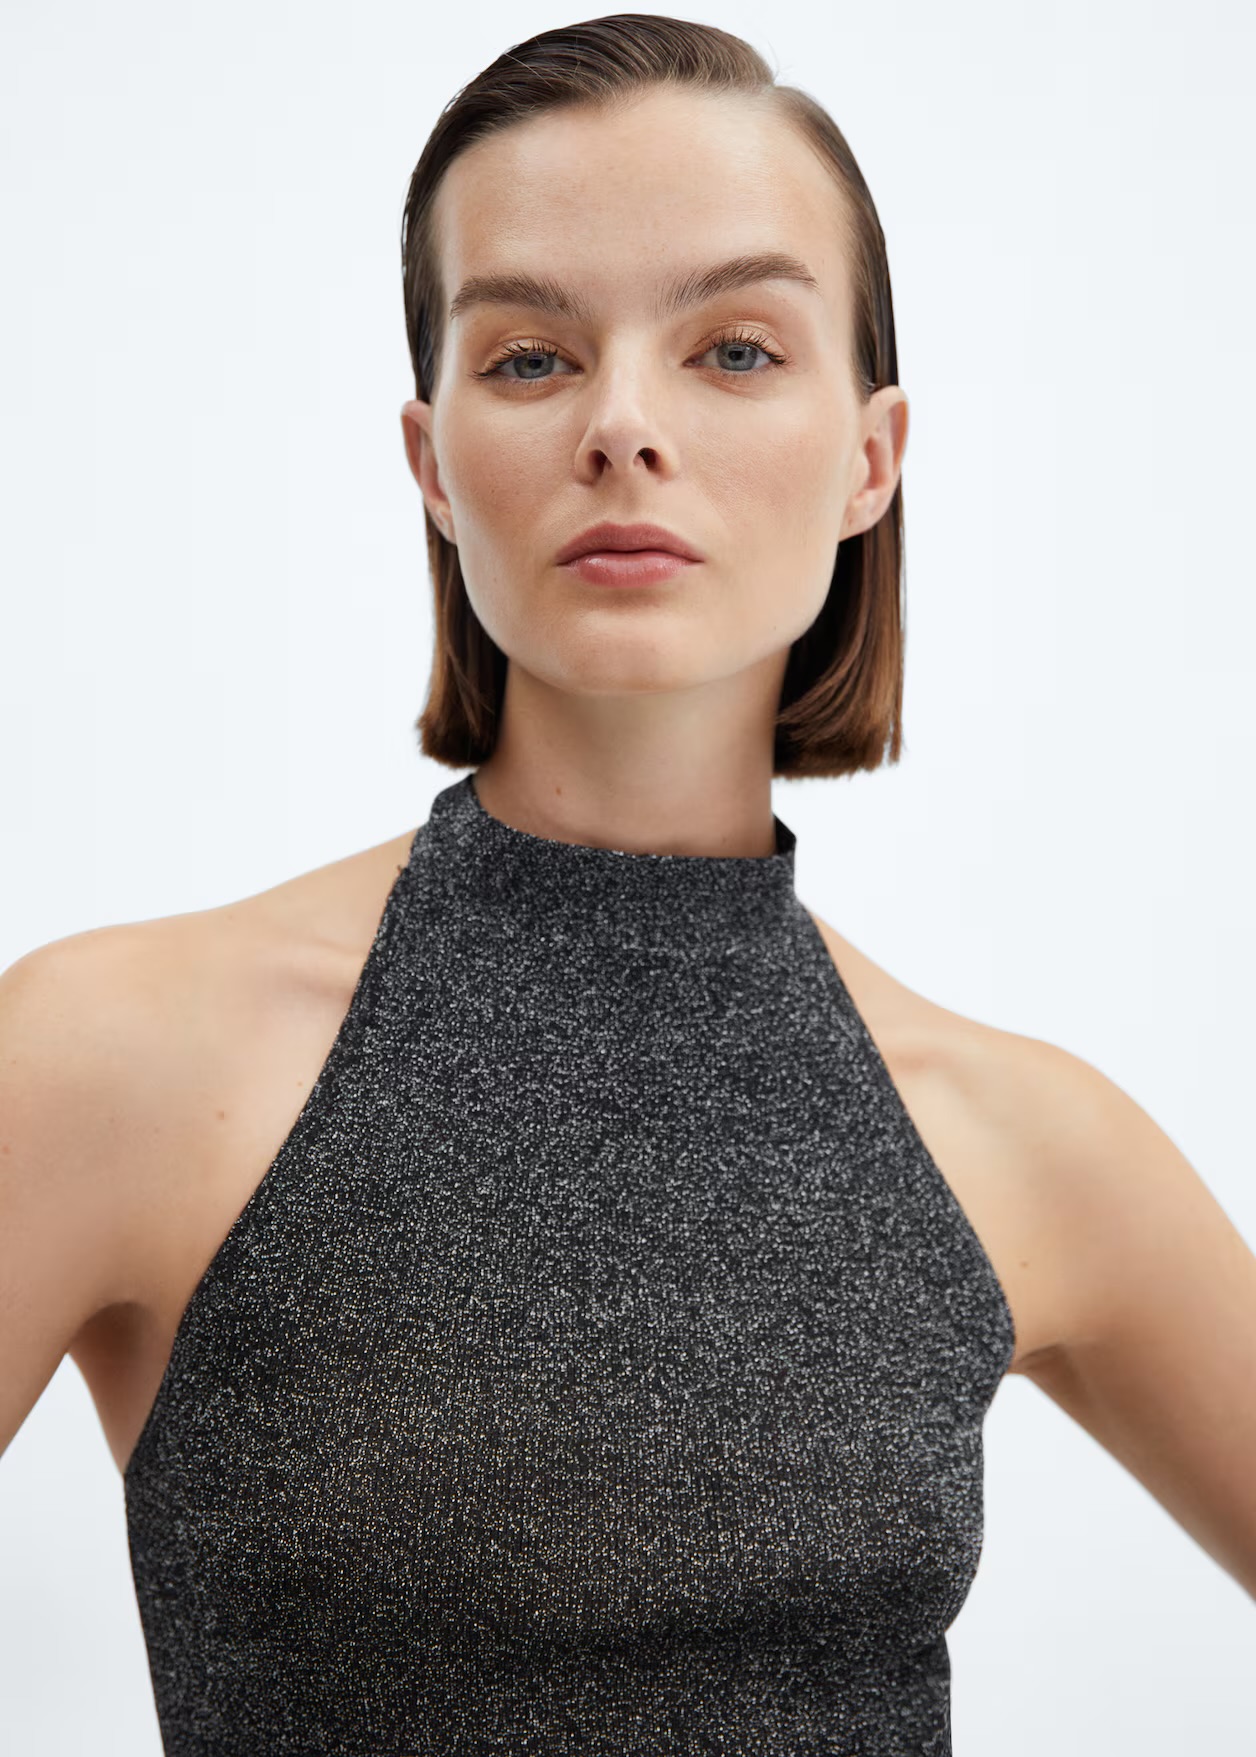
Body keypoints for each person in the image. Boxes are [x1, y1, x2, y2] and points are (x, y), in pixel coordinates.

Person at [3, 13, 1254, 1755]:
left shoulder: (1024, 1141)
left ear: (872, 457)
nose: (623, 427)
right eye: (530, 357)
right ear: (434, 465)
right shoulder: (109, 1060)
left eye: (735, 348)